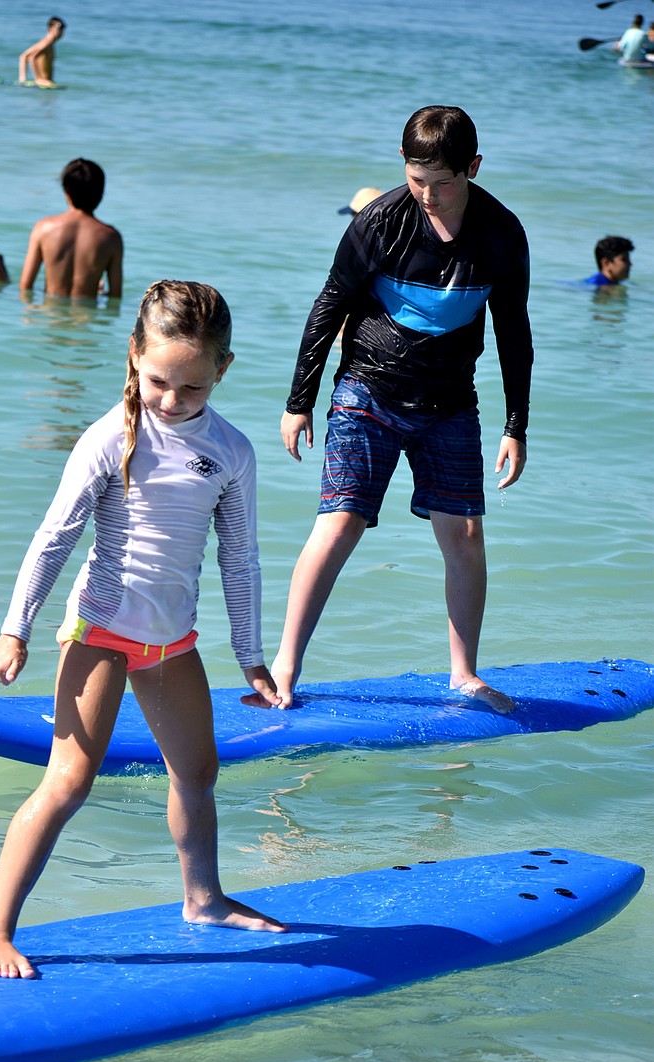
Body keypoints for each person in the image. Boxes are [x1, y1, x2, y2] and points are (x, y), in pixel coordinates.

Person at [0, 280, 286, 978]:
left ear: (223, 370)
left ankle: (203, 899)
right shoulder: (109, 437)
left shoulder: (231, 450)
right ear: (135, 354)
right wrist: (14, 629)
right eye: (159, 382)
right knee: (70, 780)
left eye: (192, 388)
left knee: (198, 772)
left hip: (173, 640)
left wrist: (253, 657)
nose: (172, 400)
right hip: (103, 630)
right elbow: (56, 536)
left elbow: (241, 556)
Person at [273, 105, 533, 715]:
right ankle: (285, 665)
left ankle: (464, 674)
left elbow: (514, 334)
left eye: (443, 183)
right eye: (418, 182)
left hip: (449, 403)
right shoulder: (380, 222)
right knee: (341, 523)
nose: (430, 196)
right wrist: (299, 401)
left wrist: (516, 425)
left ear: (472, 167)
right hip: (367, 390)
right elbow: (329, 304)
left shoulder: (500, 233)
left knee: (465, 534)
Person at [19, 158, 124, 299]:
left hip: (50, 316)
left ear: (66, 191)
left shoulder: (43, 229)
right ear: (100, 193)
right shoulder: (111, 238)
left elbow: (25, 287)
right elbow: (115, 296)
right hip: (87, 318)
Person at [19, 16, 66, 87]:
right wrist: (38, 79)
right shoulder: (46, 43)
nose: (61, 32)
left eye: (62, 30)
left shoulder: (47, 42)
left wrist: (23, 79)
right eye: (58, 29)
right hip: (44, 83)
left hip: (46, 83)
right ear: (50, 28)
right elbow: (29, 57)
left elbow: (25, 56)